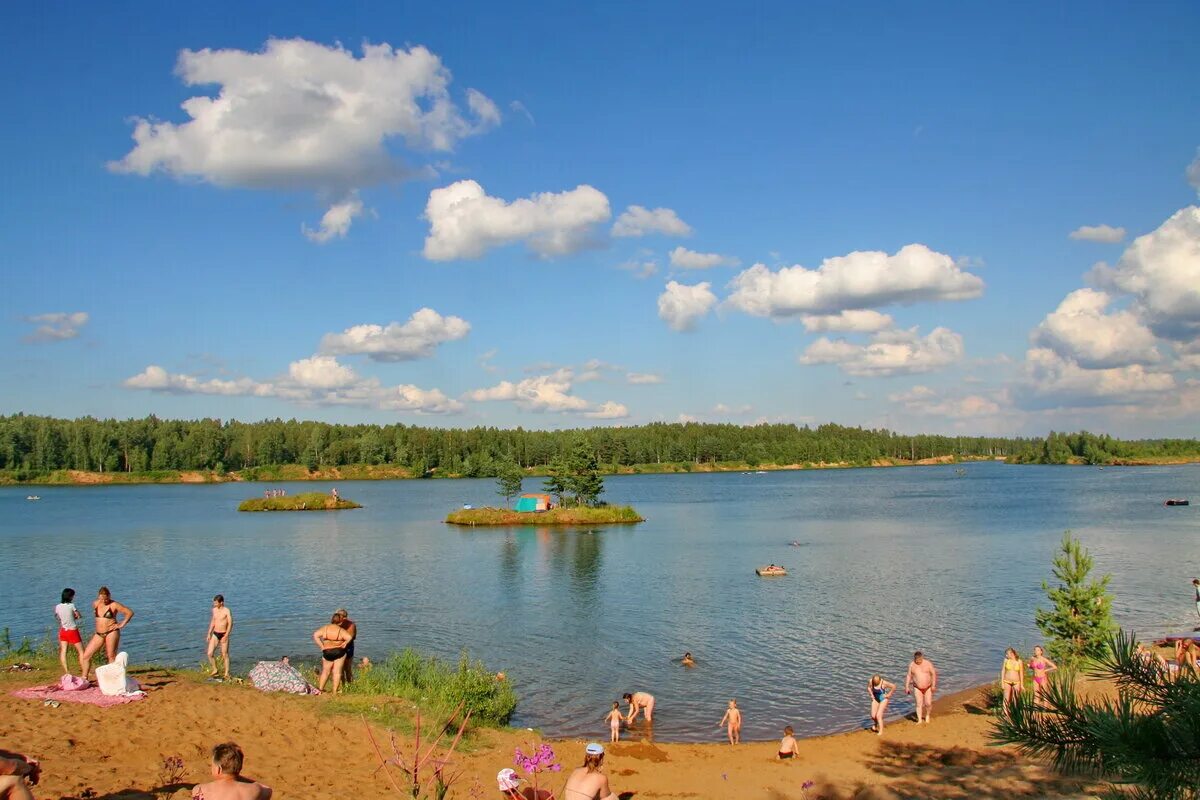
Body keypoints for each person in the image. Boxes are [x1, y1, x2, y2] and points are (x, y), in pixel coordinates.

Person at [81, 586, 133, 677]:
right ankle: (84, 677)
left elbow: (129, 612)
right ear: (99, 596)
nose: (104, 601)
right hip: (99, 634)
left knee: (111, 656)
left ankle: (113, 677)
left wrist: (122, 624)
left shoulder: (114, 605)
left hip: (111, 632)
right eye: (102, 599)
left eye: (106, 599)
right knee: (86, 656)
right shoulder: (95, 603)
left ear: (109, 596)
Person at [191, 742, 271, 799]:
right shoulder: (252, 790)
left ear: (219, 769)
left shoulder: (199, 789)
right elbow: (268, 789)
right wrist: (236, 775)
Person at [313, 612, 350, 694]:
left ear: (332, 619)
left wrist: (321, 646)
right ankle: (334, 692)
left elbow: (315, 635)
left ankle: (320, 689)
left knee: (325, 671)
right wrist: (345, 643)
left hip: (327, 652)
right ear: (340, 621)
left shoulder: (325, 628)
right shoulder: (341, 630)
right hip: (339, 651)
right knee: (337, 672)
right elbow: (349, 637)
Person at [54, 588, 86, 678]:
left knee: (64, 651)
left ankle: (67, 671)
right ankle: (84, 669)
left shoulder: (58, 606)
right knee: (81, 651)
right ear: (70, 596)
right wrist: (74, 617)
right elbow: (78, 616)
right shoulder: (72, 605)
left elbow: (58, 617)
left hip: (63, 631)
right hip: (72, 630)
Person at [905, 651, 937, 724]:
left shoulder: (928, 664)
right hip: (917, 687)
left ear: (922, 658)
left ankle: (927, 715)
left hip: (928, 687)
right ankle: (919, 720)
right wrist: (907, 686)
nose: (918, 662)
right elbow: (909, 676)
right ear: (914, 659)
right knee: (919, 704)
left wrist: (933, 685)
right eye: (917, 661)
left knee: (928, 703)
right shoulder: (912, 665)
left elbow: (933, 674)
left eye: (920, 660)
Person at [206, 595, 233, 679]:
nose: (214, 604)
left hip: (224, 634)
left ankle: (226, 673)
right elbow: (213, 621)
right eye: (214, 602)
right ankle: (215, 669)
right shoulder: (214, 610)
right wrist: (209, 633)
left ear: (221, 603)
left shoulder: (227, 611)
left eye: (216, 603)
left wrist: (226, 635)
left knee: (225, 654)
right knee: (209, 653)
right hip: (215, 633)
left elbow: (230, 623)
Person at [335, 607, 357, 684]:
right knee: (345, 668)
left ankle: (348, 685)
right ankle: (346, 686)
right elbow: (353, 637)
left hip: (346, 647)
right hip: (346, 647)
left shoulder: (350, 624)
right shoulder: (351, 624)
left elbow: (351, 637)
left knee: (345, 668)